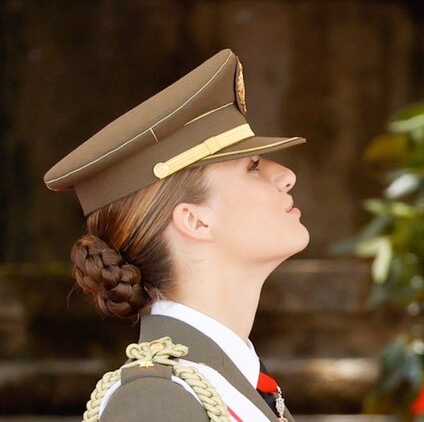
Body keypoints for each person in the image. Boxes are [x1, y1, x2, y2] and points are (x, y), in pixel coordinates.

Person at [44, 49, 307, 422]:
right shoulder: (154, 403)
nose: (285, 175)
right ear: (195, 221)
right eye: (252, 166)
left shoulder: (225, 383)